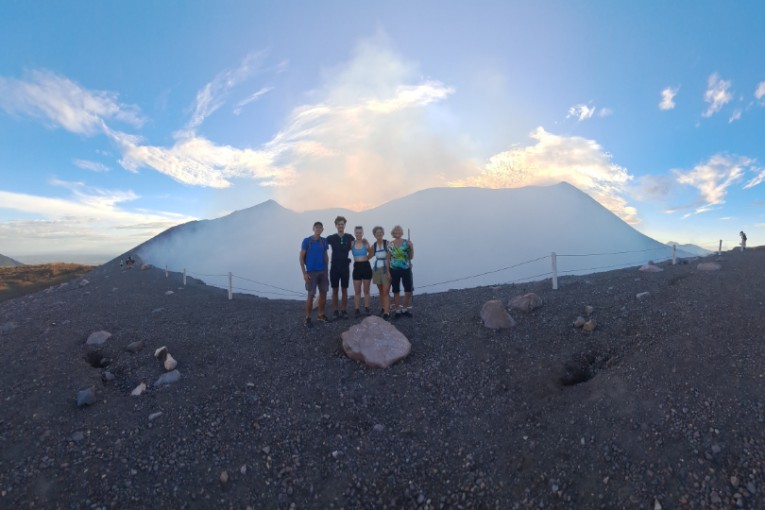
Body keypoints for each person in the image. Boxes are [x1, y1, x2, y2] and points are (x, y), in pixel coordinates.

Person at [299, 221, 330, 327]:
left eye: (320, 228)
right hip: (311, 272)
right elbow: (301, 257)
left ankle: (321, 315)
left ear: (322, 230)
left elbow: (325, 255)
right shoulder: (307, 241)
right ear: (313, 228)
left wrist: (326, 269)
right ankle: (307, 317)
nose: (318, 229)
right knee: (311, 295)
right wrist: (304, 273)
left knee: (323, 294)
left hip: (323, 271)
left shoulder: (324, 241)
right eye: (317, 227)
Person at [326, 216, 355, 320]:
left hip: (344, 266)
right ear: (335, 225)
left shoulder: (350, 237)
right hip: (334, 266)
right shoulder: (331, 237)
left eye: (342, 224)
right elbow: (321, 244)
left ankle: (343, 310)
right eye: (338, 224)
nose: (340, 226)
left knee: (344, 289)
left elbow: (356, 247)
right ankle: (335, 311)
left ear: (345, 225)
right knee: (335, 289)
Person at [388, 225, 414, 318]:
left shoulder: (407, 243)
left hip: (406, 269)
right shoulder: (390, 244)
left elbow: (411, 257)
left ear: (401, 232)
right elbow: (388, 259)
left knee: (408, 289)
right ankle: (397, 310)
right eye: (395, 231)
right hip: (394, 270)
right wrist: (388, 272)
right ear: (393, 233)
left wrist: (411, 247)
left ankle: (405, 308)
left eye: (399, 231)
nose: (397, 233)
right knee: (396, 290)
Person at [351, 226, 373, 317]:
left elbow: (372, 252)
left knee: (366, 290)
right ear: (355, 233)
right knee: (357, 291)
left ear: (362, 233)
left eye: (360, 232)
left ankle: (367, 307)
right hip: (357, 267)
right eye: (357, 232)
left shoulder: (365, 243)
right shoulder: (352, 243)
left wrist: (366, 258)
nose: (358, 234)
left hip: (366, 266)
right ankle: (357, 308)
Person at [370, 226, 391, 320]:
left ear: (383, 233)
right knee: (380, 290)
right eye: (376, 233)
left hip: (386, 269)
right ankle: (383, 307)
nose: (378, 234)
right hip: (376, 269)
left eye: (380, 232)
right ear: (374, 235)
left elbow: (393, 255)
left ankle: (387, 312)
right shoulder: (374, 245)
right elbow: (368, 256)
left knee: (386, 291)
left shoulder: (387, 243)